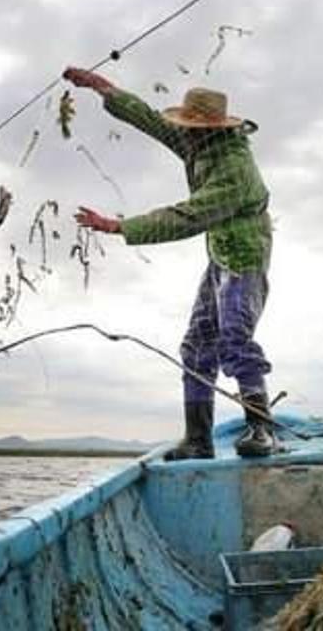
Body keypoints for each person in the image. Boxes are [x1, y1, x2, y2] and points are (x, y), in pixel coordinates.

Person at [62, 66, 276, 460]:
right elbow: (149, 119)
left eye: (193, 129)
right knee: (197, 344)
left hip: (246, 255)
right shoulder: (199, 142)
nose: (185, 134)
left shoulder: (234, 170)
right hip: (220, 254)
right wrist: (102, 88)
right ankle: (198, 440)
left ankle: (262, 429)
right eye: (186, 128)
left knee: (234, 336)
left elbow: (187, 217)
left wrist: (119, 226)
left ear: (214, 130)